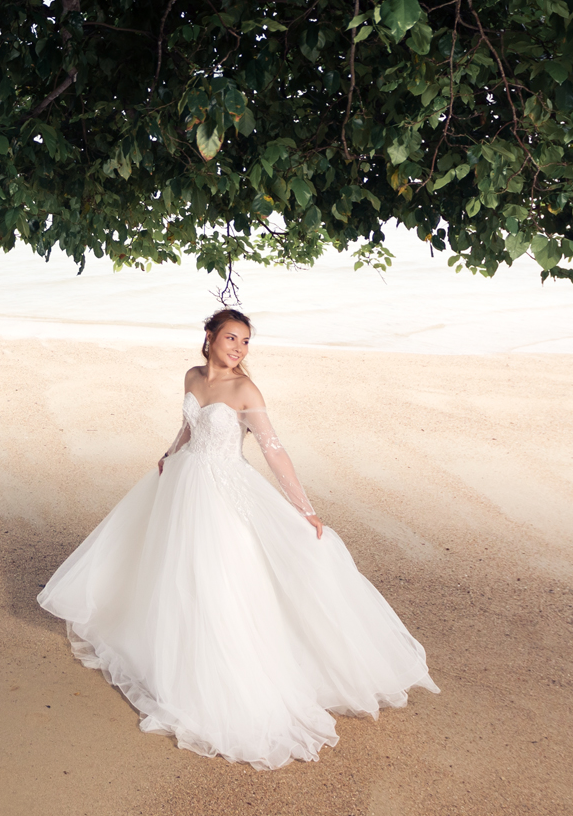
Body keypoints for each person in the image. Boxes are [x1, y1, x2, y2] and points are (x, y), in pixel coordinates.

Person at [36, 309, 436, 767]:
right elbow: (189, 427)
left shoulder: (246, 390)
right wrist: (168, 455)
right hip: (184, 482)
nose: (239, 349)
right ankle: (173, 653)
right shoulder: (191, 376)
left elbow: (274, 451)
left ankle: (224, 668)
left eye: (245, 342)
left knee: (219, 573)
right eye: (231, 338)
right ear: (209, 337)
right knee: (174, 569)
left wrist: (305, 509)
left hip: (224, 490)